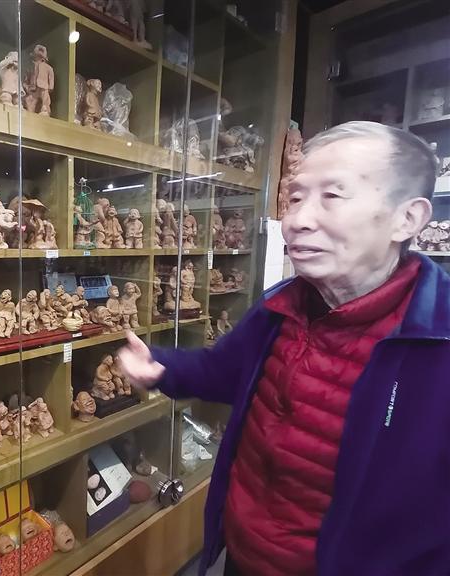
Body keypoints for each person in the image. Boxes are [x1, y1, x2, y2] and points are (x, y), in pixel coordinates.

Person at [118, 121, 450, 576]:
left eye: (332, 195)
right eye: (295, 198)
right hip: (244, 553)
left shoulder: (436, 339)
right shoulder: (280, 306)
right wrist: (161, 367)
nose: (296, 220)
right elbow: (223, 371)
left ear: (406, 219)